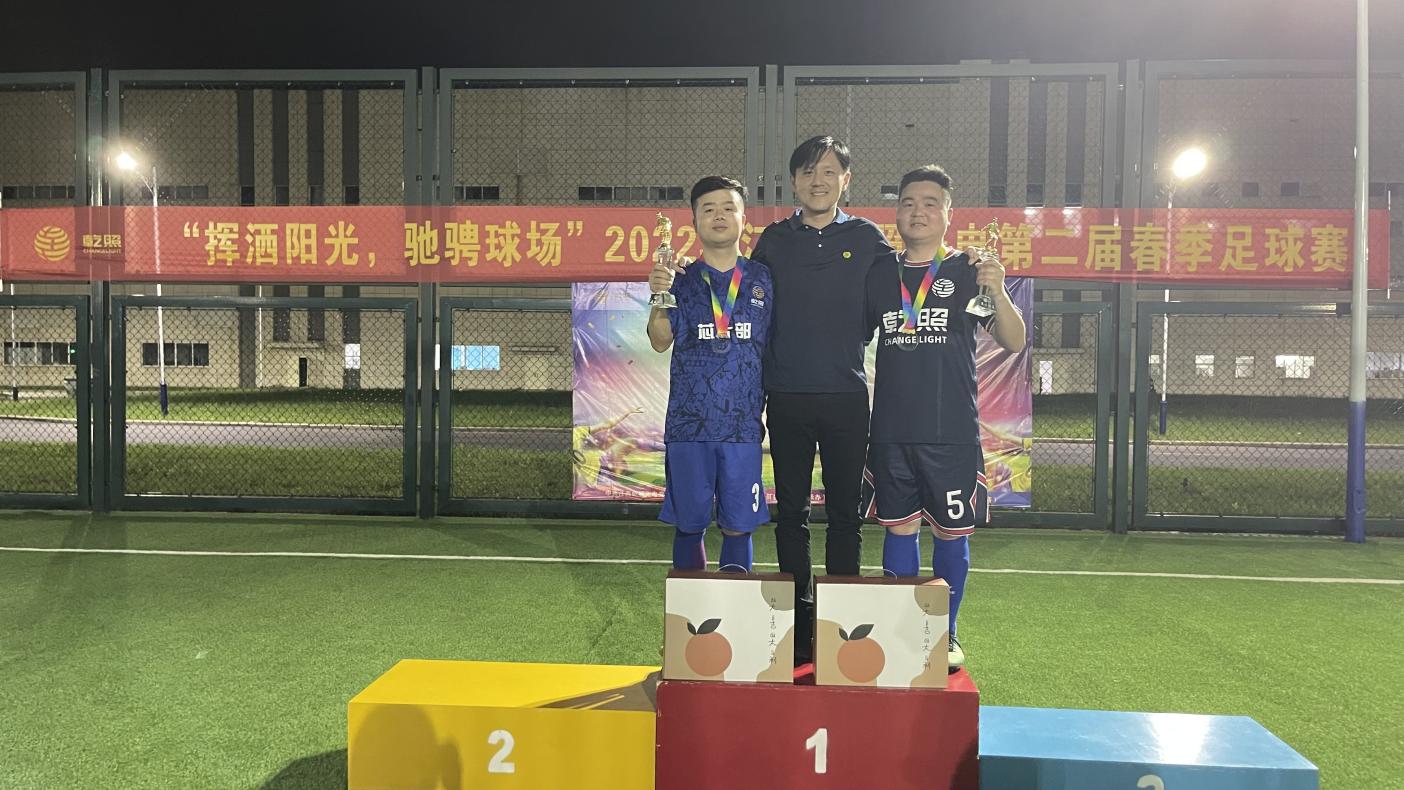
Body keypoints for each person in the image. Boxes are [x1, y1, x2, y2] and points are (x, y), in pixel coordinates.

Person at [860, 165, 1026, 670]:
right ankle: (902, 632)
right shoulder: (879, 273)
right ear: (896, 212)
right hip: (891, 431)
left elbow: (1013, 340)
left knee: (952, 533)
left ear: (948, 213)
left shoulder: (967, 271)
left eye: (930, 203)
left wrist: (998, 290)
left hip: (950, 432)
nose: (918, 211)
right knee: (899, 530)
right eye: (909, 202)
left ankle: (944, 634)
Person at [647, 176, 773, 573]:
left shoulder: (764, 279)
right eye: (708, 209)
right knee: (689, 526)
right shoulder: (680, 279)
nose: (719, 215)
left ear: (743, 218)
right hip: (689, 425)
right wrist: (658, 296)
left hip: (742, 428)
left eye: (728, 208)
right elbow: (659, 340)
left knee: (739, 527)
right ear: (695, 221)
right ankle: (691, 611)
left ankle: (735, 608)